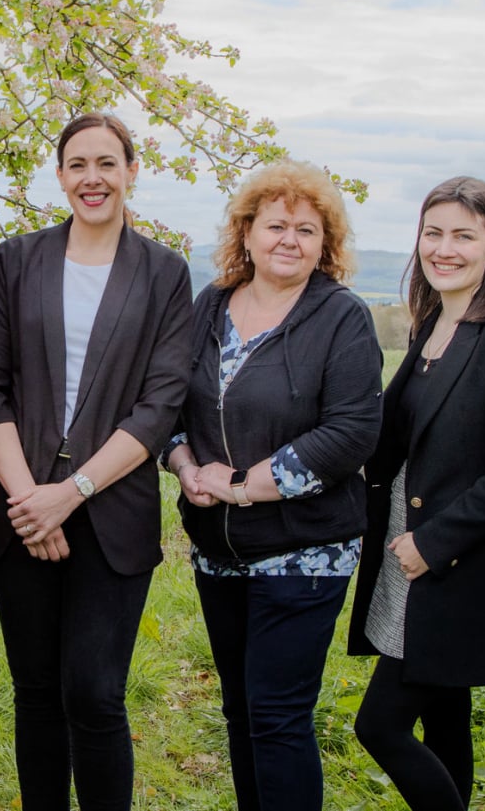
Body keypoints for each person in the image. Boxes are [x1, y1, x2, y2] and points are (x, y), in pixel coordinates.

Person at [0, 113, 193, 810]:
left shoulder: (163, 273)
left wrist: (72, 491)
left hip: (110, 511)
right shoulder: (19, 258)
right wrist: (33, 497)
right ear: (60, 174)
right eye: (76, 164)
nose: (91, 178)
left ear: (130, 169)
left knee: (93, 693)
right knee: (35, 692)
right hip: (20, 505)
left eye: (106, 163)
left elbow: (158, 406)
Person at [163, 159, 382, 811]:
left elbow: (350, 431)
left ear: (325, 244)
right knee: (239, 710)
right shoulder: (211, 305)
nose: (289, 239)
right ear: (247, 231)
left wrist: (241, 484)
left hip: (304, 550)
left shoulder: (340, 316)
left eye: (307, 229)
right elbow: (170, 404)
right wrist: (184, 466)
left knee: (277, 714)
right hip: (218, 549)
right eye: (276, 224)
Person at [344, 177, 485, 810]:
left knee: (378, 725)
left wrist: (431, 546)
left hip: (450, 561)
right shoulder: (431, 325)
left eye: (464, 235)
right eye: (433, 233)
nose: (444, 248)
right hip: (403, 553)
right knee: (446, 719)